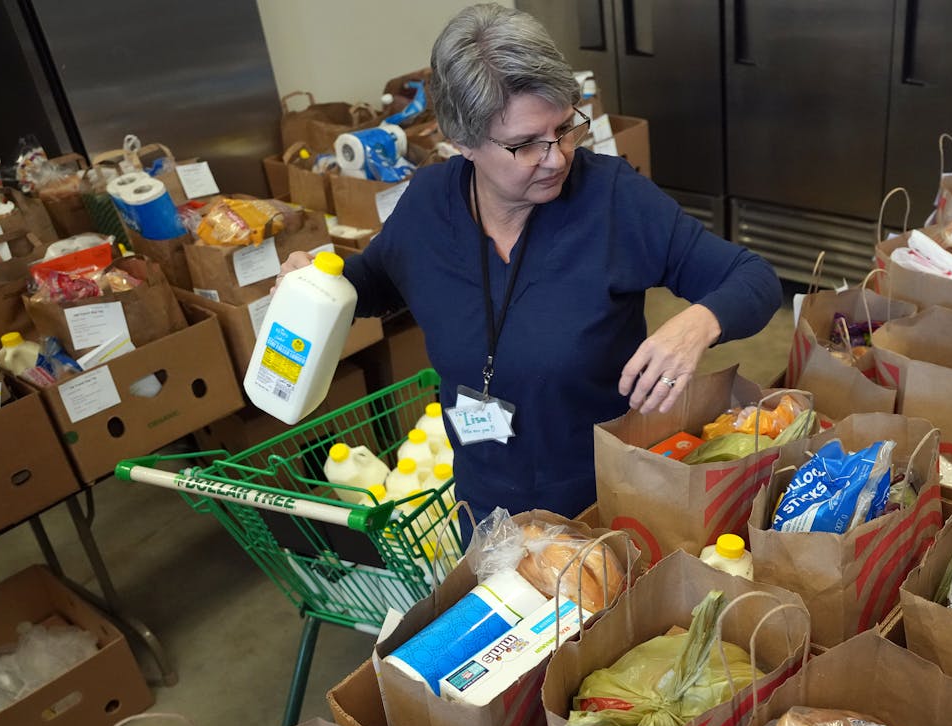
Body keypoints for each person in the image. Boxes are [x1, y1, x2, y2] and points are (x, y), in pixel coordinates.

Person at [280, 4, 780, 519]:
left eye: (565, 128)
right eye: (524, 145)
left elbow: (753, 279)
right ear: (461, 143)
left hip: (608, 506)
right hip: (484, 508)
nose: (557, 157)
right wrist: (314, 280)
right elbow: (375, 281)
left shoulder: (611, 200)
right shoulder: (429, 205)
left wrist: (696, 325)